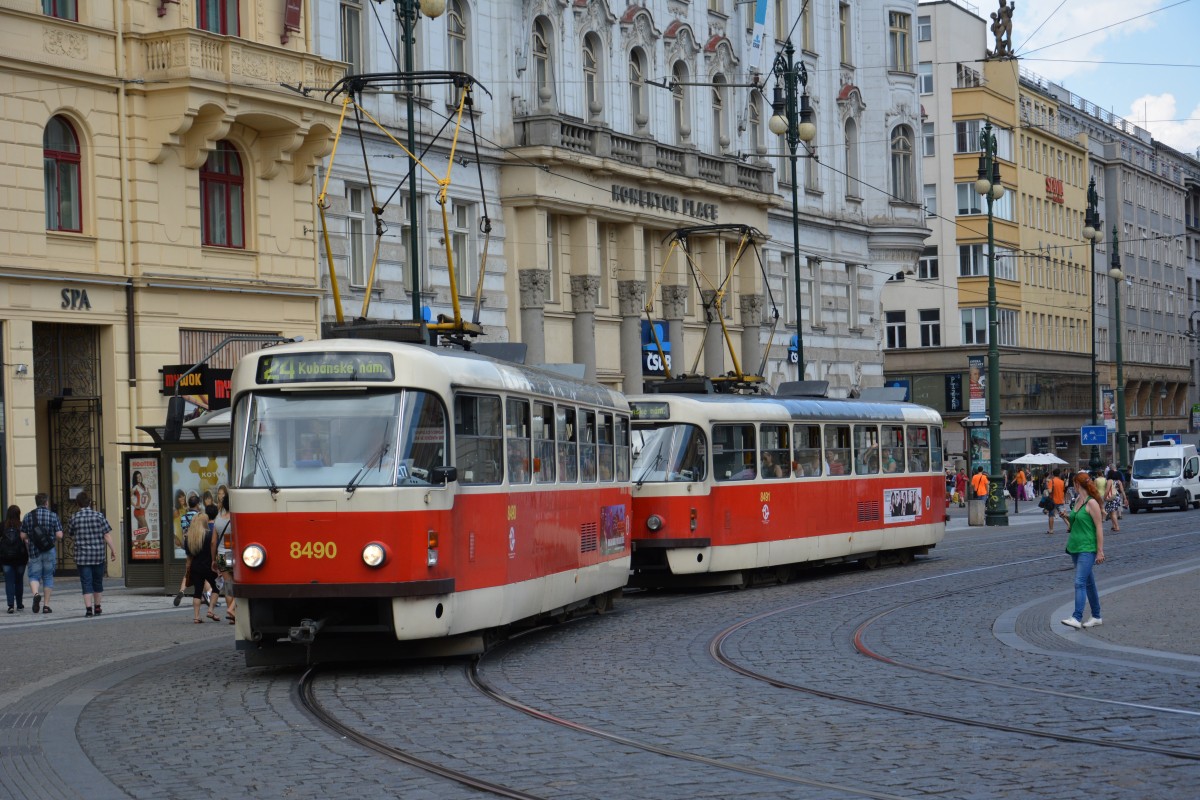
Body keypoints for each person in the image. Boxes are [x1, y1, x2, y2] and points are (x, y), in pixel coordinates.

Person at [1056, 471, 1105, 629]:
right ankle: (1096, 616)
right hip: (1075, 547)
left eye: (1073, 484)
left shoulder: (1092, 503)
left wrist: (1100, 551)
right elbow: (1073, 525)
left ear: (1078, 484)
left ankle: (1076, 617)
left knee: (1079, 582)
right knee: (1089, 583)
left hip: (1087, 548)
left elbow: (1099, 527)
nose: (1072, 487)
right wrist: (1065, 517)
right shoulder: (1077, 500)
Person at [67, 491, 117, 618]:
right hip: (98, 555)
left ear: (78, 503)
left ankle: (89, 609)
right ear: (90, 503)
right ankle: (98, 607)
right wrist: (113, 550)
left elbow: (70, 533)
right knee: (97, 582)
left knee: (86, 582)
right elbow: (106, 534)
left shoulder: (74, 517)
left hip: (82, 556)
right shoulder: (99, 516)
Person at [21, 493, 64, 615]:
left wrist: (30, 537)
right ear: (46, 502)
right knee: (48, 577)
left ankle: (36, 594)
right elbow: (60, 535)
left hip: (34, 551)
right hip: (49, 551)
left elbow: (22, 535)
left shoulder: (28, 516)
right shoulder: (53, 515)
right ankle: (46, 606)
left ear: (36, 502)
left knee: (34, 576)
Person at [184, 505, 220, 623]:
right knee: (216, 588)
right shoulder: (210, 535)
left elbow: (189, 556)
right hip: (209, 566)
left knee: (197, 592)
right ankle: (210, 610)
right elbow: (215, 549)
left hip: (196, 568)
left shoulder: (190, 538)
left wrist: (187, 568)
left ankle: (196, 617)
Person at [1, 505, 29, 613]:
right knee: (19, 581)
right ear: (19, 513)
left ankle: (10, 605)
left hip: (6, 559)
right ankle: (20, 604)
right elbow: (26, 540)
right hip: (20, 558)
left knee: (9, 581)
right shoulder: (21, 525)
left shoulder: (3, 525)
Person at [213, 495, 236, 623]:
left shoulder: (218, 519)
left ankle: (232, 616)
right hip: (234, 556)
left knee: (228, 586)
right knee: (239, 584)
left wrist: (213, 559)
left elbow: (213, 542)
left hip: (221, 555)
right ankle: (233, 610)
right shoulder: (236, 518)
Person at [1103, 467, 1128, 532]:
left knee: (1113, 513)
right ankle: (1113, 525)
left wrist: (1104, 498)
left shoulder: (1109, 481)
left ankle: (1117, 526)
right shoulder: (1119, 481)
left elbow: (1107, 490)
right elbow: (1122, 490)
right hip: (1117, 497)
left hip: (1111, 497)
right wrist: (1125, 498)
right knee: (1112, 512)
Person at [1044, 468, 1067, 535]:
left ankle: (1051, 530)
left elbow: (1050, 491)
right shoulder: (1062, 482)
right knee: (1063, 514)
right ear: (1059, 474)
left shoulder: (1052, 481)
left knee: (1051, 515)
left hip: (1053, 501)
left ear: (1053, 474)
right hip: (1060, 500)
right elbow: (1062, 491)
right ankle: (1069, 525)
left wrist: (1047, 489)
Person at [131, 471, 150, 540]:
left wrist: (146, 505)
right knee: (146, 530)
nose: (139, 478)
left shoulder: (145, 486)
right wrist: (135, 506)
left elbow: (149, 497)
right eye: (137, 477)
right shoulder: (135, 487)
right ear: (135, 479)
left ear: (141, 476)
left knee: (140, 531)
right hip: (138, 511)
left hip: (142, 510)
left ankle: (137, 548)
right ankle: (137, 545)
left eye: (140, 476)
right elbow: (128, 497)